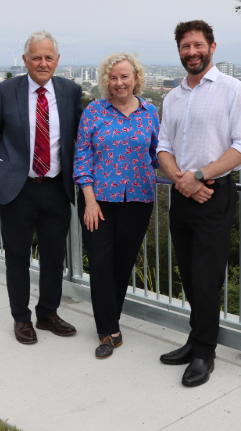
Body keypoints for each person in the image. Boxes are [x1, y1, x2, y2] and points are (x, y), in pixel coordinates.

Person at [156, 20, 241, 387]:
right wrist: (182, 181)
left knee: (205, 277)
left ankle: (204, 354)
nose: (192, 52)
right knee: (187, 272)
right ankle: (194, 340)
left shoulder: (233, 90)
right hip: (182, 193)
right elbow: (162, 147)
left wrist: (198, 176)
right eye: (185, 46)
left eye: (198, 45)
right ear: (180, 51)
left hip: (214, 194)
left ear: (212, 47)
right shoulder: (173, 96)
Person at [0, 30, 84, 345]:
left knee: (54, 256)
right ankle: (21, 318)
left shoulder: (70, 91)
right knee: (18, 258)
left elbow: (82, 137)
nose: (42, 63)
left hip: (56, 188)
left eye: (48, 57)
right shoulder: (6, 90)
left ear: (57, 60)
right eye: (36, 57)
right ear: (25, 60)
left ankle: (48, 314)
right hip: (16, 189)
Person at [73, 52, 159, 359]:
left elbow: (155, 154)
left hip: (138, 199)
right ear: (105, 81)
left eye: (125, 76)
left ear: (136, 78)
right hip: (99, 201)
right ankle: (109, 331)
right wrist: (89, 201)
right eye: (113, 77)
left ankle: (109, 327)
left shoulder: (150, 112)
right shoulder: (94, 112)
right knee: (99, 262)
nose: (119, 82)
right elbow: (82, 158)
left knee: (121, 265)